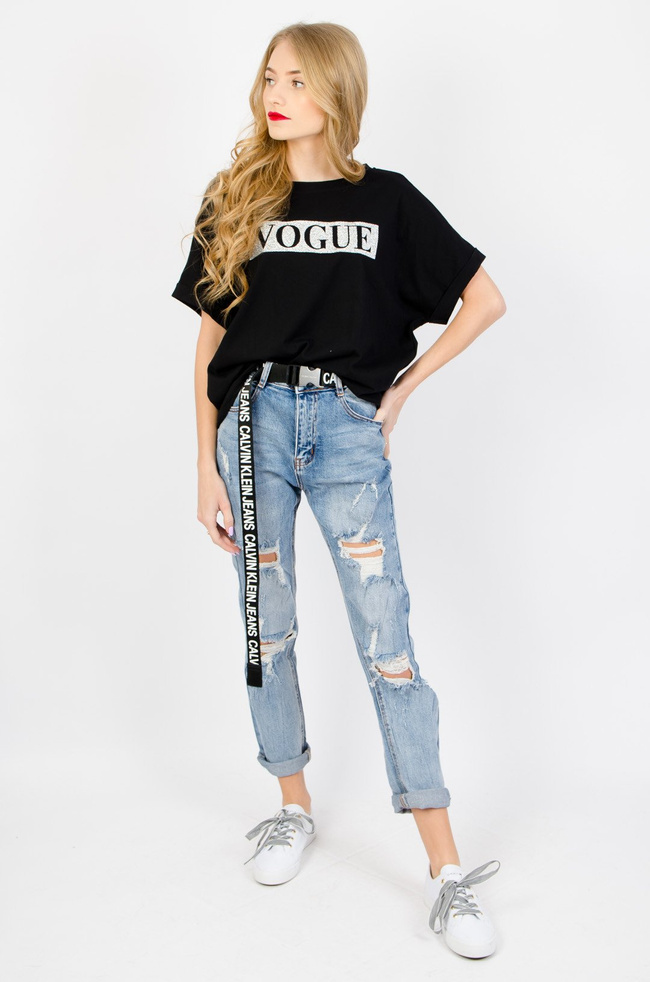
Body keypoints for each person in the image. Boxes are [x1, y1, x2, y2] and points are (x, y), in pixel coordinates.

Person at [171, 21, 507, 960]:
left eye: (297, 80)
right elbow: (207, 343)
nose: (276, 95)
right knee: (267, 626)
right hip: (251, 427)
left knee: (387, 640)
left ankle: (444, 868)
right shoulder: (236, 196)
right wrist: (202, 464)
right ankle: (292, 804)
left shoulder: (386, 201)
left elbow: (484, 298)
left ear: (336, 92)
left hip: (347, 428)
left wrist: (401, 390)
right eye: (269, 77)